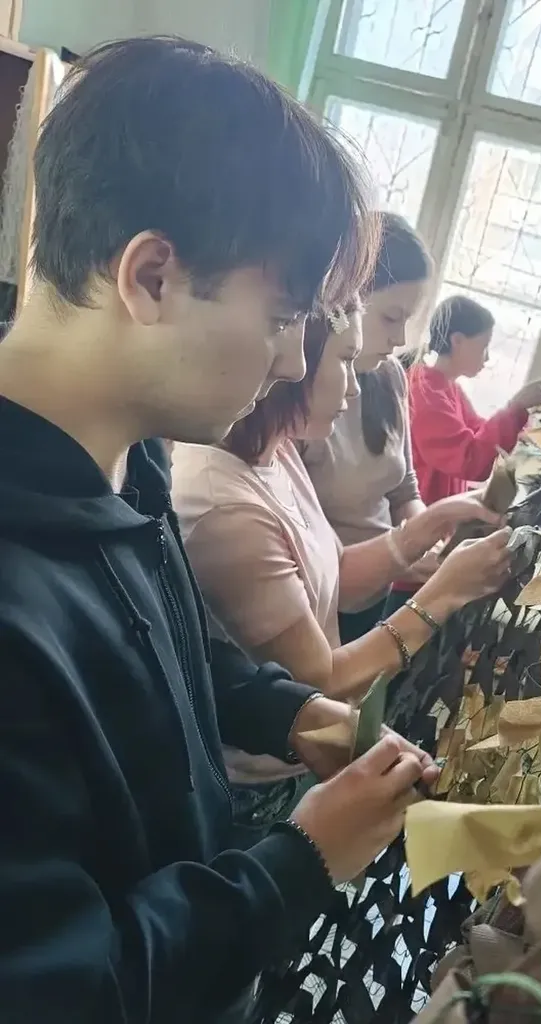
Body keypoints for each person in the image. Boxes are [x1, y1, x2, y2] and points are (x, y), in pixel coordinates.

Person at [0, 37, 437, 1024]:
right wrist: (300, 861)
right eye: (282, 318)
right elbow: (71, 990)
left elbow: (177, 650)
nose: (292, 364)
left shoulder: (132, 454)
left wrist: (291, 714)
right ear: (152, 276)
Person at [171, 302, 512, 711]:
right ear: (297, 358)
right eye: (346, 360)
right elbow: (319, 681)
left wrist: (438, 518)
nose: (354, 388)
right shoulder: (226, 509)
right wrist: (447, 592)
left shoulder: (278, 452)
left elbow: (339, 575)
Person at [302, 212, 433, 643]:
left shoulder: (390, 375)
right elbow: (314, 555)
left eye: (408, 320)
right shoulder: (299, 397)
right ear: (347, 302)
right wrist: (405, 549)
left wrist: (423, 538)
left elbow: (404, 491)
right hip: (315, 601)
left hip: (375, 594)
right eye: (391, 318)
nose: (400, 339)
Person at [409, 294, 541, 506]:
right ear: (457, 340)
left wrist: (526, 430)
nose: (487, 357)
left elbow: (479, 431)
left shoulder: (449, 388)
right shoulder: (424, 393)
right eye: (484, 346)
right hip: (419, 511)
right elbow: (469, 459)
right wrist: (515, 407)